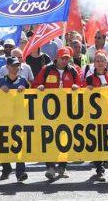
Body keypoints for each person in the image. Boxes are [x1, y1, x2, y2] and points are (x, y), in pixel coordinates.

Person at [33, 47, 82, 180]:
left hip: (67, 111)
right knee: (49, 138)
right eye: (63, 58)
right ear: (57, 58)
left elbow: (81, 87)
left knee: (65, 139)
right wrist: (40, 87)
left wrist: (77, 88)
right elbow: (35, 85)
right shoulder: (46, 69)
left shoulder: (73, 71)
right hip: (49, 111)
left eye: (67, 58)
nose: (65, 61)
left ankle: (62, 166)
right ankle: (50, 167)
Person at [84, 50, 108, 182]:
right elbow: (82, 95)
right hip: (95, 116)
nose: (99, 63)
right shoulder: (88, 79)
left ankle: (102, 161)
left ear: (106, 63)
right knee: (97, 141)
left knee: (106, 140)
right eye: (97, 61)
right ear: (94, 63)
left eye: (102, 61)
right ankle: (99, 168)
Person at [0, 57, 29, 181]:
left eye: (17, 65)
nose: (15, 68)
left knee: (19, 144)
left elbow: (32, 96)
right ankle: (6, 169)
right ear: (7, 67)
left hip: (19, 117)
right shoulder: (1, 81)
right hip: (4, 116)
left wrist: (25, 90)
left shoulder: (23, 80)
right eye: (13, 66)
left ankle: (20, 172)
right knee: (3, 144)